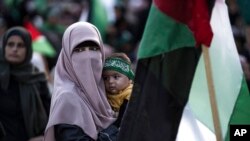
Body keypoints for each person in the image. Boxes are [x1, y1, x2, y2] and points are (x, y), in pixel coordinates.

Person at [44, 21, 118, 141]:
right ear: (67, 55)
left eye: (94, 48)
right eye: (79, 50)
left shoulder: (108, 90)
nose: (88, 56)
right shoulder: (67, 97)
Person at [0, 26, 51, 141]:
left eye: (20, 45)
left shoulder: (37, 78)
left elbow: (50, 114)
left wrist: (43, 137)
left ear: (28, 49)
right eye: (10, 44)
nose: (14, 49)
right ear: (4, 47)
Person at [102, 53, 134, 127]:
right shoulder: (104, 96)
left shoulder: (132, 96)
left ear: (129, 79)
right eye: (105, 78)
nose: (110, 81)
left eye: (116, 77)